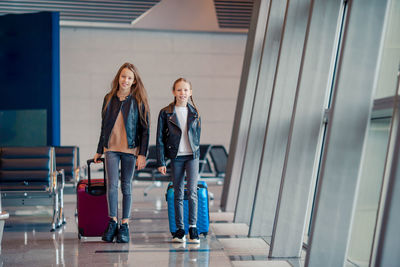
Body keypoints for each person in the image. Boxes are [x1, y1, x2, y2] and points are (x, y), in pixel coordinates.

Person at [94, 62, 150, 243]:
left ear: (134, 82)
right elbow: (104, 126)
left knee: (126, 186)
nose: (125, 80)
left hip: (130, 150)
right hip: (111, 149)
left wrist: (142, 154)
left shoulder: (138, 100)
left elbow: (145, 129)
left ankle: (124, 225)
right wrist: (98, 150)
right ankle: (113, 222)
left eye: (129, 78)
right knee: (112, 186)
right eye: (123, 76)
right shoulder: (109, 98)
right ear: (118, 77)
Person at [156, 77, 201, 243]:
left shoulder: (195, 112)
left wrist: (195, 151)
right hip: (176, 157)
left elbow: (196, 136)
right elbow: (159, 138)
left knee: (192, 191)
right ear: (174, 92)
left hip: (192, 157)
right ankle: (180, 229)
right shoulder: (166, 112)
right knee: (178, 193)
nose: (183, 93)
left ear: (190, 92)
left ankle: (193, 228)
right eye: (179, 90)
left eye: (186, 90)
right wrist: (161, 161)